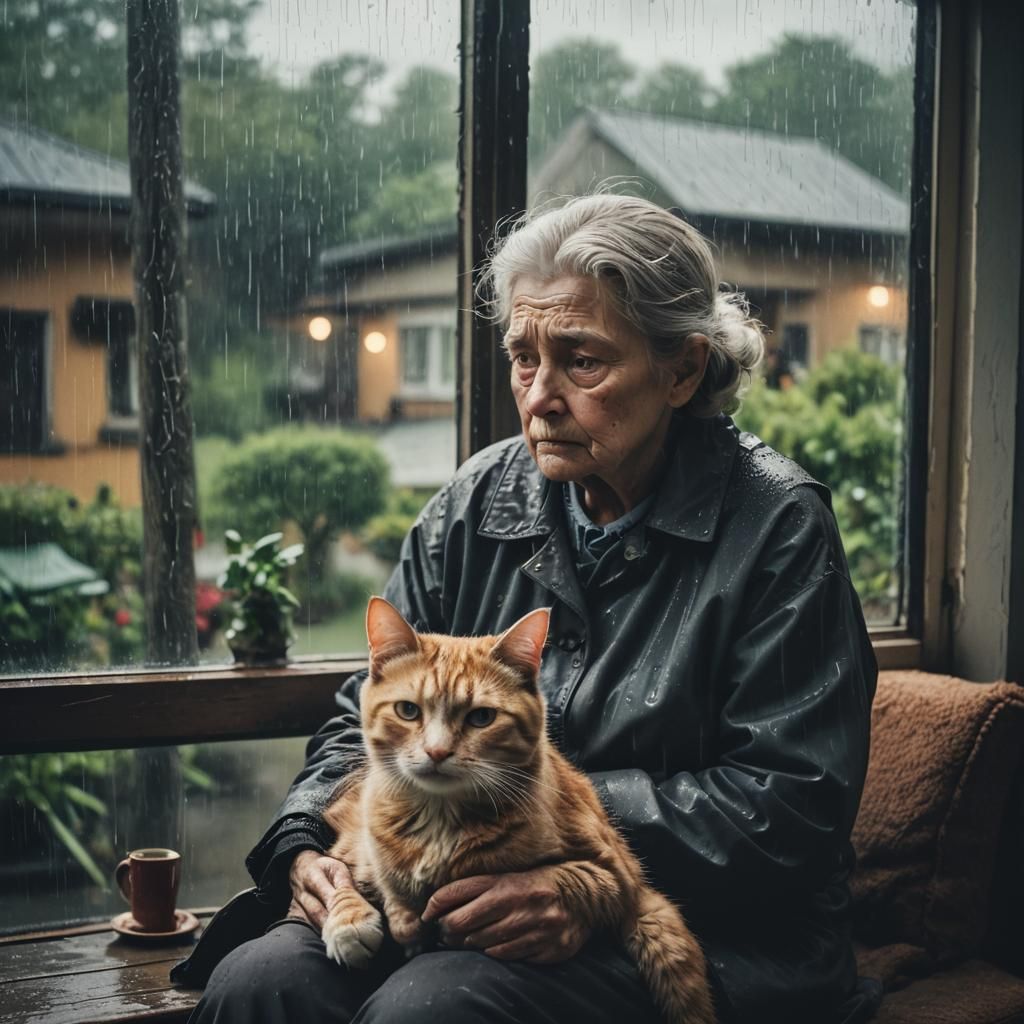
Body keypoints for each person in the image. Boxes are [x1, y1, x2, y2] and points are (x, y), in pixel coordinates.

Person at [191, 194, 878, 1024]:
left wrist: (570, 864)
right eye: (524, 357)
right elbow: (358, 717)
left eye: (581, 361)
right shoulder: (473, 501)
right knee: (259, 983)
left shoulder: (778, 525)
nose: (540, 397)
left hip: (715, 924)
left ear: (682, 370)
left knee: (431, 1010)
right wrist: (307, 838)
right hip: (437, 878)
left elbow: (789, 808)